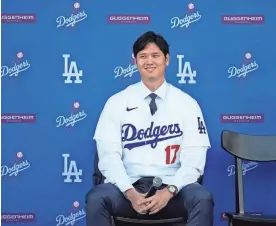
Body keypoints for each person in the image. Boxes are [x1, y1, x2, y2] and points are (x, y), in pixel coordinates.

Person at [85, 31, 214, 226]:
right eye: (143, 56)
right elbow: (108, 157)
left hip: (173, 190)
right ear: (135, 61)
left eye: (155, 56)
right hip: (128, 189)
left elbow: (194, 162)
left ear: (167, 59)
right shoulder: (116, 102)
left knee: (201, 198)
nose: (149, 61)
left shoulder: (187, 104)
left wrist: (169, 191)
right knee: (97, 197)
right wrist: (131, 194)